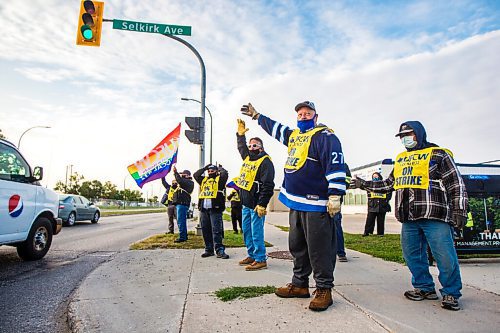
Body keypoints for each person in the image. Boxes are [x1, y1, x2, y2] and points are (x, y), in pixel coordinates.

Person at [351, 121, 468, 311]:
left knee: (445, 256)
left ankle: (451, 293)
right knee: (413, 255)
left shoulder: (438, 154)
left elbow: (455, 183)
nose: (405, 138)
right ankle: (424, 288)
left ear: (420, 134)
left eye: (409, 134)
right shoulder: (402, 160)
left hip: (434, 215)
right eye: (402, 136)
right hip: (409, 217)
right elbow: (388, 184)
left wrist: (459, 210)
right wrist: (363, 184)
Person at [241, 101, 346, 311]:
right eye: (300, 114)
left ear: (316, 116)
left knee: (320, 249)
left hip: (317, 203)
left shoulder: (326, 137)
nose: (303, 116)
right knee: (297, 246)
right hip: (295, 202)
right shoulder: (296, 137)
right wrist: (257, 116)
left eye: (307, 113)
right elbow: (276, 129)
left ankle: (324, 289)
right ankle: (299, 284)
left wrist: (335, 194)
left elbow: (336, 164)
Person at [235, 119, 275, 271]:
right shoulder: (247, 158)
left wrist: (262, 204)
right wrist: (240, 135)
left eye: (255, 145)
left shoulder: (265, 162)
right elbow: (241, 148)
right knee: (247, 231)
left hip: (257, 204)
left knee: (256, 232)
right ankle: (251, 254)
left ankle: (260, 259)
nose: (251, 147)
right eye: (250, 145)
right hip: (245, 203)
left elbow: (268, 185)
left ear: (261, 148)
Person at [193, 164, 230, 259]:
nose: (210, 172)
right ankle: (208, 250)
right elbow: (196, 175)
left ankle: (219, 250)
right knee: (205, 230)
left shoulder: (220, 180)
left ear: (216, 171)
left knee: (216, 230)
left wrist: (220, 168)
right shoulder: (203, 180)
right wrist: (205, 168)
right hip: (204, 209)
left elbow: (225, 174)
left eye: (212, 170)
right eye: (208, 171)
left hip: (215, 209)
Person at [362, 172, 392, 237]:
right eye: (373, 177)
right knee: (370, 220)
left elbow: (389, 194)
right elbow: (362, 185)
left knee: (381, 221)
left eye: (376, 176)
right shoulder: (370, 185)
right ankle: (368, 232)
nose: (375, 178)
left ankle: (380, 233)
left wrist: (386, 201)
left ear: (379, 177)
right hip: (372, 206)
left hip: (382, 206)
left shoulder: (384, 186)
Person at [171, 166, 194, 243]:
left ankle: (183, 237)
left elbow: (180, 180)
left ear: (187, 175)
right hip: (180, 203)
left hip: (182, 204)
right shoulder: (184, 183)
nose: (182, 175)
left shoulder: (188, 182)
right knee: (180, 221)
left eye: (183, 174)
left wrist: (175, 172)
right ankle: (184, 235)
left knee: (181, 221)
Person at [335, 164, 352, 263]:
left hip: (335, 199)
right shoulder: (320, 162)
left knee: (336, 224)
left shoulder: (341, 164)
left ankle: (340, 252)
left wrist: (336, 190)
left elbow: (347, 180)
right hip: (319, 199)